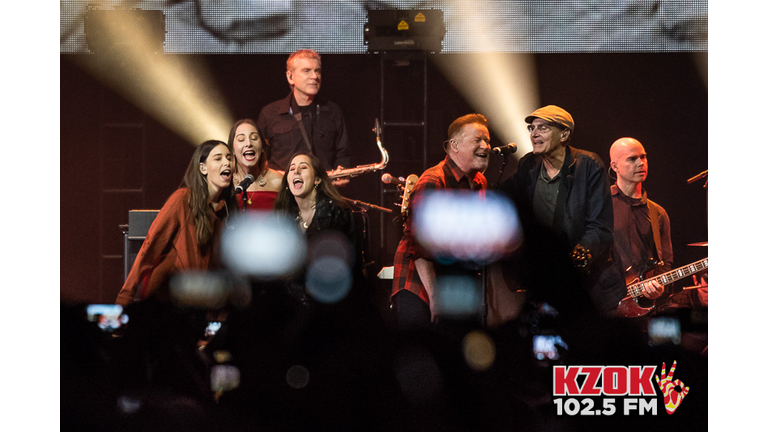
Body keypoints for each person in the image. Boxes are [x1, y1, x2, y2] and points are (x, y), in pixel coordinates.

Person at [500, 105, 625, 316]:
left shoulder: (589, 165)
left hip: (593, 286)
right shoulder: (528, 166)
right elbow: (502, 201)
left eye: (543, 128)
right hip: (549, 285)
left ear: (564, 134)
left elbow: (600, 228)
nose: (534, 134)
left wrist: (570, 266)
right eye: (531, 128)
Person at [391, 113, 491, 328]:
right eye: (477, 140)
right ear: (454, 145)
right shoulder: (433, 180)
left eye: (488, 141)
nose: (486, 146)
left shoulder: (479, 181)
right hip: (419, 284)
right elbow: (419, 246)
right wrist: (435, 298)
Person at [116, 140, 236, 306]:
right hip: (168, 301)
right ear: (203, 168)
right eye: (218, 158)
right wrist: (124, 299)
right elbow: (150, 247)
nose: (226, 162)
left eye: (229, 158)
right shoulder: (182, 199)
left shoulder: (226, 211)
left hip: (200, 302)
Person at [274, 153, 357, 304]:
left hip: (328, 303)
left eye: (303, 167)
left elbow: (352, 266)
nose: (296, 171)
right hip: (292, 306)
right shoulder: (282, 218)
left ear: (317, 179)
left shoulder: (338, 213)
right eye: (291, 169)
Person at [256, 49, 351, 177]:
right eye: (307, 71)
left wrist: (343, 171)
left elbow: (343, 154)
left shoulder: (333, 111)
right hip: (283, 192)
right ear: (290, 77)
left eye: (317, 71)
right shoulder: (269, 114)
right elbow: (259, 157)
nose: (315, 76)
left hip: (321, 192)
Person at [609, 137, 672, 301]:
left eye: (643, 157)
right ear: (614, 166)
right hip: (605, 304)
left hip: (641, 306)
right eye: (632, 159)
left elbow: (665, 263)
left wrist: (659, 287)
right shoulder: (599, 204)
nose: (640, 163)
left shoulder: (657, 213)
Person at [228, 119, 283, 211]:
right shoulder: (226, 182)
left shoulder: (278, 181)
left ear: (262, 147)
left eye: (254, 138)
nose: (248, 144)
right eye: (241, 139)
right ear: (232, 150)